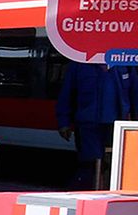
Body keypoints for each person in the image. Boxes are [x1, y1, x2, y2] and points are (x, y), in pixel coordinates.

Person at [54, 59, 138, 189]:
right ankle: (85, 200)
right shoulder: (79, 63)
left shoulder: (125, 63)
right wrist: (63, 122)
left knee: (118, 167)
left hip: (118, 127)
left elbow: (135, 93)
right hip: (88, 126)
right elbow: (67, 92)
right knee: (89, 166)